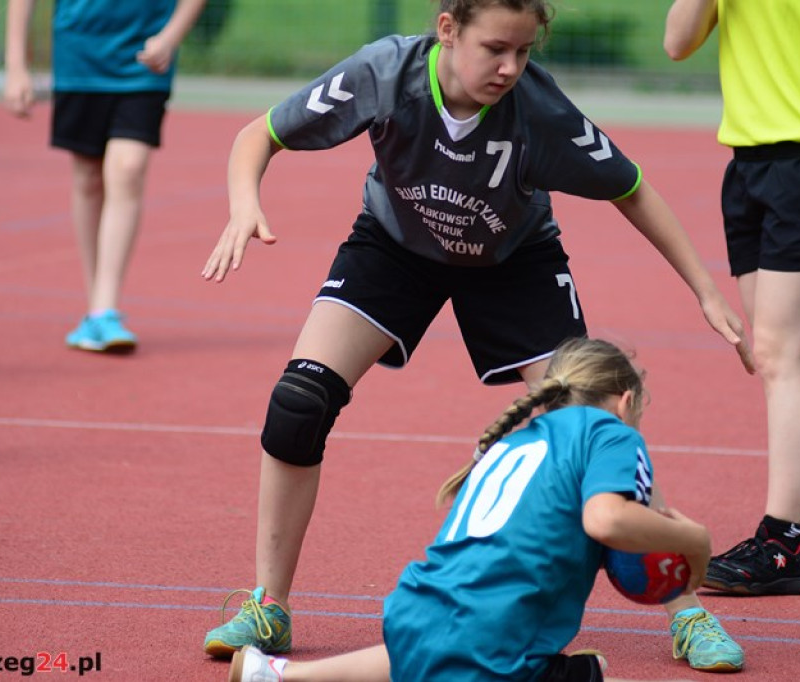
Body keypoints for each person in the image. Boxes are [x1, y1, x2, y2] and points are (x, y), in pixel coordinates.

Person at [202, 0, 754, 671]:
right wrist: (243, 201)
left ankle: (686, 610)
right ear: (446, 29)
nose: (510, 67)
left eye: (523, 52)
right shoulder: (386, 74)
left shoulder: (539, 111)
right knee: (298, 402)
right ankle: (270, 605)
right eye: (495, 48)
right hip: (394, 248)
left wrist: (703, 287)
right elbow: (258, 134)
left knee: (589, 425)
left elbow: (631, 187)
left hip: (513, 261)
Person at [226, 337, 714, 682]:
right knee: (592, 671)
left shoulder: (514, 441)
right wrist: (694, 539)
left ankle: (279, 675)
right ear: (625, 403)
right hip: (494, 649)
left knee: (434, 654)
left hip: (413, 614)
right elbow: (606, 519)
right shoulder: (609, 431)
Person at [664, 0, 800, 594]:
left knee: (779, 355)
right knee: (795, 355)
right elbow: (677, 43)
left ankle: (781, 541)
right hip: (749, 165)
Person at [4, 0, 207, 353]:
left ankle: (104, 309)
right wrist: (15, 66)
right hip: (78, 58)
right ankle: (95, 309)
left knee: (128, 168)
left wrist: (171, 36)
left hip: (145, 60)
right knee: (87, 178)